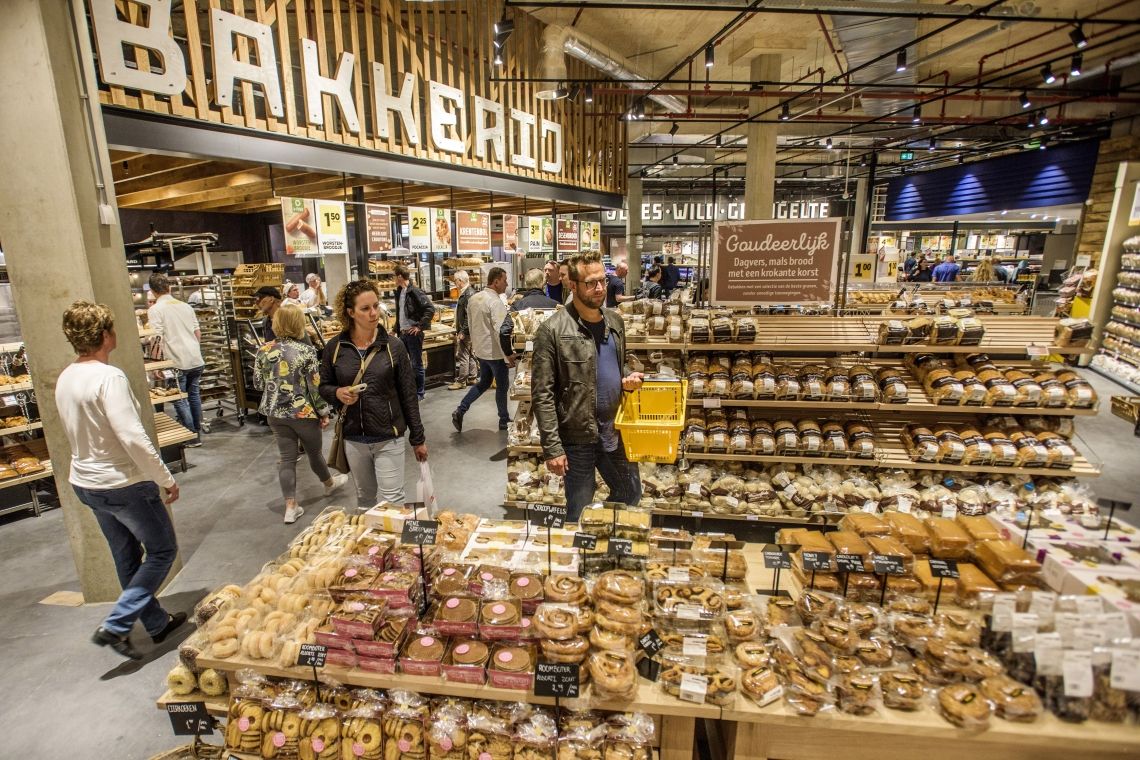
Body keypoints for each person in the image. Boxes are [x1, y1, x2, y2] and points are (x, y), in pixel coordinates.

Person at [56, 301, 186, 660]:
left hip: (86, 483)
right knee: (161, 551)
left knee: (126, 555)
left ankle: (157, 623)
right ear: (105, 335)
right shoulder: (108, 378)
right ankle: (117, 624)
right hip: (123, 483)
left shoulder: (67, 376)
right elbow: (132, 437)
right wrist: (165, 477)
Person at [531, 251, 645, 521]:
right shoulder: (552, 331)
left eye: (602, 281)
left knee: (631, 493)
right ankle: (579, 554)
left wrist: (628, 377)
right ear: (573, 285)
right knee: (578, 509)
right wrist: (553, 447)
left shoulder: (615, 322)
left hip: (613, 431)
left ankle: (599, 530)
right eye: (591, 283)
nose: (600, 288)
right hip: (577, 437)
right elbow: (542, 394)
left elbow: (613, 365)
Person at [320, 280, 428, 507]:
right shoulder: (335, 348)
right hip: (353, 438)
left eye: (376, 306)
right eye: (365, 309)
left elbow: (408, 394)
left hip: (388, 436)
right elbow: (324, 386)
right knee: (365, 500)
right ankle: (370, 543)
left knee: (393, 501)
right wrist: (337, 393)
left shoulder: (393, 346)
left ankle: (393, 542)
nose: (373, 313)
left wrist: (418, 438)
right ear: (350, 312)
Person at [254, 304, 350, 523]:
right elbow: (314, 387)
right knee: (314, 452)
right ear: (299, 324)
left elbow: (258, 384)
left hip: (275, 412)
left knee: (286, 459)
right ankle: (328, 484)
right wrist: (324, 412)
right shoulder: (306, 352)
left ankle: (290, 506)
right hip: (303, 412)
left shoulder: (264, 350)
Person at [452, 267, 514, 433]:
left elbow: (470, 324)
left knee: (484, 382)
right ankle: (504, 420)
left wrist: (475, 347)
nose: (506, 284)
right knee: (502, 386)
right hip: (495, 352)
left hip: (481, 350)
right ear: (496, 281)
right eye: (504, 280)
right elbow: (502, 330)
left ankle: (461, 409)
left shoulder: (474, 298)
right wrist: (508, 355)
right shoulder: (495, 301)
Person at [148, 273, 205, 447]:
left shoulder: (155, 310)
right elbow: (198, 333)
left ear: (152, 291)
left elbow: (156, 338)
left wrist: (155, 364)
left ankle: (191, 436)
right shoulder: (185, 306)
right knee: (193, 395)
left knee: (180, 398)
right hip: (195, 358)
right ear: (169, 287)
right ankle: (196, 429)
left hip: (176, 360)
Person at [393, 264, 435, 400]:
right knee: (404, 364)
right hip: (403, 334)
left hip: (413, 334)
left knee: (416, 364)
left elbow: (430, 309)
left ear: (400, 276)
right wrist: (395, 329)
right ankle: (409, 390)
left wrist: (419, 327)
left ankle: (420, 392)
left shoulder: (415, 291)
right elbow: (400, 313)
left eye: (394, 276)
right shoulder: (399, 292)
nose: (393, 278)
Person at [449, 270, 479, 391]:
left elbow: (469, 315)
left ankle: (461, 381)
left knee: (463, 355)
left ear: (460, 281)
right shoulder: (468, 292)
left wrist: (463, 331)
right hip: (470, 330)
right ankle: (472, 378)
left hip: (466, 331)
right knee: (470, 354)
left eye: (456, 281)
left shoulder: (468, 294)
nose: (455, 283)